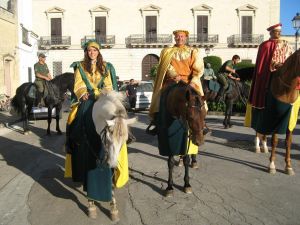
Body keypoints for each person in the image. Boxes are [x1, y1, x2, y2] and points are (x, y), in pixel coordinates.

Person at [64, 40, 124, 219]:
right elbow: (78, 84)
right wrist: (83, 92)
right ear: (86, 52)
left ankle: (124, 138)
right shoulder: (79, 67)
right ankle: (72, 141)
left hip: (102, 98)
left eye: (94, 50)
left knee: (118, 117)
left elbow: (109, 84)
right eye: (89, 50)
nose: (92, 53)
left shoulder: (106, 66)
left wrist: (103, 93)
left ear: (99, 51)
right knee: (74, 117)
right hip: (86, 99)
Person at [148, 29, 205, 135]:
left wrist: (193, 81)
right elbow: (166, 66)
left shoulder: (193, 51)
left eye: (182, 36)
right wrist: (175, 75)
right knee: (161, 96)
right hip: (173, 81)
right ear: (175, 38)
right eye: (178, 36)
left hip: (189, 81)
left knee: (200, 100)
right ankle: (157, 120)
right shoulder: (167, 51)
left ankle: (202, 123)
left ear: (186, 38)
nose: (180, 38)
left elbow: (198, 68)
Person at [245, 23, 293, 131]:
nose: (279, 33)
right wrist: (276, 65)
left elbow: (290, 56)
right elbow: (264, 63)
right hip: (268, 73)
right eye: (277, 31)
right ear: (271, 33)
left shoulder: (286, 44)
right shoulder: (265, 45)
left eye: (280, 31)